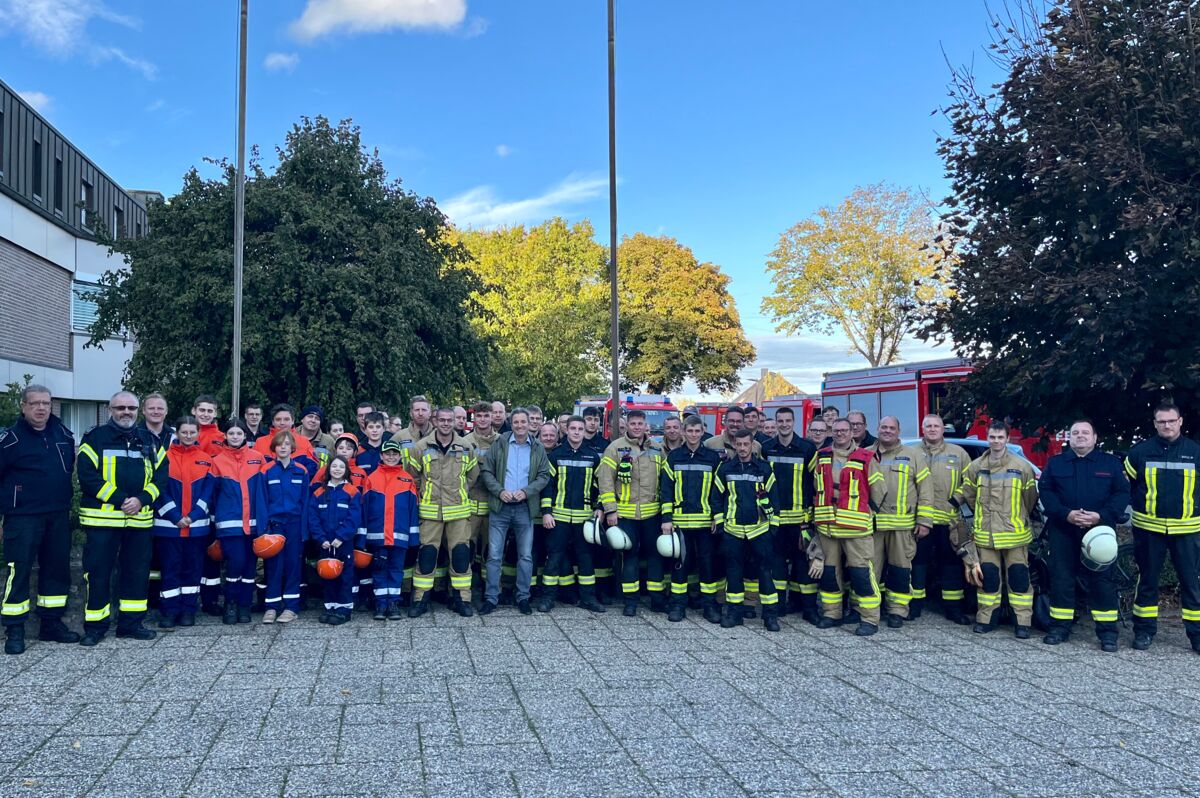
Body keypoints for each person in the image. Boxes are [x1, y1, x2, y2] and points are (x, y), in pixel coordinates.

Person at [76, 391, 168, 646]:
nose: (126, 412)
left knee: (137, 573)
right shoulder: (95, 438)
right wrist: (119, 499)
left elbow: (161, 477)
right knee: (98, 573)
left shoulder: (149, 440)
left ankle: (131, 623)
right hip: (102, 521)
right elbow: (87, 476)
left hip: (139, 521)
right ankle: (95, 626)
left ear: (138, 411)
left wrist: (141, 499)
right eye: (120, 408)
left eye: (131, 408)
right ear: (110, 410)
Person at [1038, 420, 1130, 651]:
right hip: (1063, 529)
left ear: (1095, 438)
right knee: (1061, 579)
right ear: (1070, 437)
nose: (1080, 436)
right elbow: (1046, 492)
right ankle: (1059, 627)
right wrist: (1065, 514)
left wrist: (1101, 516)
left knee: (1102, 581)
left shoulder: (1109, 463)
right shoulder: (1056, 463)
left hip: (1099, 531)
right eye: (1075, 433)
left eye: (1085, 433)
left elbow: (1121, 493)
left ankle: (1107, 633)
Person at [0, 384, 79, 654]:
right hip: (22, 516)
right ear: (23, 406)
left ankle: (51, 623)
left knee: (57, 570)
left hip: (57, 513)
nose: (41, 408)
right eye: (35, 403)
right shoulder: (9, 440)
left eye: (45, 403)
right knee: (18, 570)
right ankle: (15, 628)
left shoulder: (63, 434)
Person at [1124, 401, 1200, 652]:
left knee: (1192, 583)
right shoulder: (1139, 452)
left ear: (1180, 422)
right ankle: (1144, 632)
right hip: (1149, 529)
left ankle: (1196, 635)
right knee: (1147, 581)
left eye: (1171, 421)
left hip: (1187, 530)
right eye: (1161, 421)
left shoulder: (1195, 452)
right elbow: (1128, 487)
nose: (1167, 425)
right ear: (1155, 424)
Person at [953, 420, 1039, 638]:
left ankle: (1023, 623)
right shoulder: (975, 467)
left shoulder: (1022, 467)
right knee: (988, 579)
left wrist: (1016, 518)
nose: (996, 441)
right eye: (992, 437)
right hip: (986, 535)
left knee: (1019, 579)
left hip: (1015, 535)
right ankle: (986, 619)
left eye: (1000, 437)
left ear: (1007, 439)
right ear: (987, 438)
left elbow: (1029, 499)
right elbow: (969, 496)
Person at [807, 417, 885, 636]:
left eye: (844, 430)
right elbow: (816, 485)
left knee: (861, 574)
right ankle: (832, 614)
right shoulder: (822, 455)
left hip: (855, 527)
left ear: (852, 433)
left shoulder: (866, 457)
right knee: (830, 573)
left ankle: (869, 618)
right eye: (836, 430)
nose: (839, 434)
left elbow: (879, 489)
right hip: (828, 526)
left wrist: (868, 512)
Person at [408, 408, 480, 617]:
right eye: (442, 420)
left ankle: (462, 599)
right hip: (431, 512)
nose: (447, 423)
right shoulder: (421, 447)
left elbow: (472, 475)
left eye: (450, 420)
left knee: (460, 555)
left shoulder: (466, 446)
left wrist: (461, 490)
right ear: (435, 421)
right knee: (427, 555)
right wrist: (426, 492)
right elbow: (413, 476)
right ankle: (421, 599)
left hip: (458, 511)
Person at [479, 409, 550, 615]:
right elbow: (486, 471)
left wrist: (526, 492)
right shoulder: (500, 443)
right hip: (500, 507)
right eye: (516, 422)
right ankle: (491, 598)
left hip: (524, 507)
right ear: (512, 424)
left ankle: (523, 597)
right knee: (493, 556)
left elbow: (544, 475)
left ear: (530, 424)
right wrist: (499, 491)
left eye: (523, 422)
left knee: (525, 556)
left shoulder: (537, 447)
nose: (520, 426)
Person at [597, 409, 666, 617]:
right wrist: (610, 510)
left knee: (656, 556)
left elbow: (666, 481)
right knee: (630, 557)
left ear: (646, 426)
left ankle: (656, 599)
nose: (637, 427)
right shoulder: (615, 448)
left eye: (640, 424)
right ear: (626, 425)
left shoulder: (657, 449)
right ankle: (630, 601)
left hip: (652, 514)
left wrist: (666, 513)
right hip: (625, 514)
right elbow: (605, 481)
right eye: (633, 423)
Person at [713, 428, 782, 631]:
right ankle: (734, 613)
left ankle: (770, 616)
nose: (742, 448)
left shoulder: (764, 468)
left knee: (765, 573)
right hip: (733, 530)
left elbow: (775, 499)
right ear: (734, 444)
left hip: (759, 530)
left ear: (752, 445)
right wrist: (720, 523)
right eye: (739, 444)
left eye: (746, 444)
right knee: (733, 572)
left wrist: (774, 527)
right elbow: (716, 497)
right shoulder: (725, 469)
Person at [659, 415, 724, 623]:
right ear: (683, 432)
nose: (694, 435)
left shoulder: (713, 458)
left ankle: (709, 605)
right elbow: (666, 490)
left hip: (706, 523)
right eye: (690, 431)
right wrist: (666, 518)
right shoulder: (675, 457)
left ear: (703, 432)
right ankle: (678, 604)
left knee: (707, 564)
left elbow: (718, 491)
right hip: (679, 522)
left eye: (697, 431)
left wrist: (717, 517)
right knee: (680, 564)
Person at [540, 416, 606, 614]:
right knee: (554, 559)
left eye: (580, 429)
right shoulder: (556, 455)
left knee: (585, 559)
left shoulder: (593, 456)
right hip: (558, 517)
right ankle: (547, 598)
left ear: (585, 431)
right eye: (573, 428)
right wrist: (546, 512)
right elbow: (548, 486)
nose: (577, 432)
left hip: (584, 518)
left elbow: (601, 485)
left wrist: (600, 507)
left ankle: (588, 598)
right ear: (566, 430)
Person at [152, 415, 213, 629]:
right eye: (184, 432)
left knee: (192, 570)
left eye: (192, 432)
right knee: (170, 569)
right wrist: (175, 516)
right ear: (176, 433)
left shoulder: (206, 459)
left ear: (198, 433)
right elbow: (159, 490)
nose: (188, 436)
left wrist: (193, 516)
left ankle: (188, 611)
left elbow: (209, 492)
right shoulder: (163, 457)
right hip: (168, 527)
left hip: (196, 528)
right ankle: (169, 612)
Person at [870, 416, 932, 629]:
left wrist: (924, 520)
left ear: (898, 431)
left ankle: (897, 611)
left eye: (891, 428)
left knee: (900, 570)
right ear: (877, 429)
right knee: (870, 570)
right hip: (873, 525)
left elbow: (926, 489)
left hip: (902, 526)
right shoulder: (866, 454)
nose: (887, 431)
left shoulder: (913, 455)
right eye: (884, 427)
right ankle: (869, 611)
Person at [761, 406, 819, 624]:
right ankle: (779, 605)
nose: (784, 424)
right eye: (780, 421)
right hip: (774, 519)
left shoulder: (807, 449)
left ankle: (809, 608)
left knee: (802, 565)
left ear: (794, 422)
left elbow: (815, 483)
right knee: (776, 565)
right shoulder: (767, 449)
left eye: (787, 420)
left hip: (799, 520)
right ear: (775, 423)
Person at [912, 414, 972, 624]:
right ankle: (914, 606)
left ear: (942, 429)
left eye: (936, 426)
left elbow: (970, 482)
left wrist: (955, 500)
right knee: (917, 563)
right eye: (928, 426)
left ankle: (953, 608)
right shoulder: (911, 453)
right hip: (919, 521)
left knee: (951, 564)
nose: (932, 429)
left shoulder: (958, 453)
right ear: (922, 429)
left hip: (949, 521)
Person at [209, 420, 269, 625]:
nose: (235, 436)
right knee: (235, 563)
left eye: (239, 433)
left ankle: (244, 605)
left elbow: (263, 492)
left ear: (245, 436)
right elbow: (213, 494)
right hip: (229, 524)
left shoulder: (257, 458)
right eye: (231, 433)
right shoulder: (216, 461)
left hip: (253, 524)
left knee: (250, 566)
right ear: (225, 436)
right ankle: (230, 603)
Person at [362, 441, 421, 619]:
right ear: (381, 455)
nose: (391, 457)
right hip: (377, 536)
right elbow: (364, 510)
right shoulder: (371, 478)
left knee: (396, 569)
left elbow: (413, 510)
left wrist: (414, 537)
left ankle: (393, 603)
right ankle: (381, 605)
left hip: (400, 535)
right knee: (379, 569)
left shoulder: (407, 479)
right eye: (387, 453)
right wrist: (362, 537)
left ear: (400, 455)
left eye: (395, 453)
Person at [307, 456, 363, 625]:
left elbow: (354, 518)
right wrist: (321, 538)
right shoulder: (319, 493)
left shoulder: (352, 492)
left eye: (341, 467)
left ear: (346, 470)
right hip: (325, 542)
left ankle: (344, 608)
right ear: (328, 469)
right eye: (334, 466)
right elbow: (313, 518)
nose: (337, 469)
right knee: (327, 574)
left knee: (345, 576)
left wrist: (341, 537)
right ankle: (330, 606)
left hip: (343, 543)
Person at [261, 431, 309, 624]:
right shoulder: (266, 471)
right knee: (273, 566)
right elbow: (261, 501)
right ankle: (271, 606)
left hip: (295, 525)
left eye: (287, 444)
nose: (283, 447)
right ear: (274, 448)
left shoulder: (301, 471)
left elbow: (305, 502)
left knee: (293, 565)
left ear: (292, 448)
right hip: (275, 525)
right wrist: (264, 530)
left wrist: (305, 531)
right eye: (279, 444)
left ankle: (291, 607)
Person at [462, 402, 499, 589]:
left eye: (486, 415)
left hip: (494, 507)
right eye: (479, 416)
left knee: (491, 552)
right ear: (474, 418)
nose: (483, 419)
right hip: (471, 506)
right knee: (466, 551)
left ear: (493, 417)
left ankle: (490, 590)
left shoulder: (502, 441)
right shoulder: (465, 441)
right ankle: (463, 592)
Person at [253, 404, 318, 478]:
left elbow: (312, 469)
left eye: (286, 419)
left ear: (293, 421)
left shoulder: (304, 442)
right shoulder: (260, 442)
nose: (282, 423)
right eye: (278, 419)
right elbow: (254, 470)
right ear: (273, 422)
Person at [356, 412, 387, 476]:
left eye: (378, 427)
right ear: (365, 430)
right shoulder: (357, 451)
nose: (374, 430)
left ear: (384, 429)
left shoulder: (389, 451)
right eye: (371, 427)